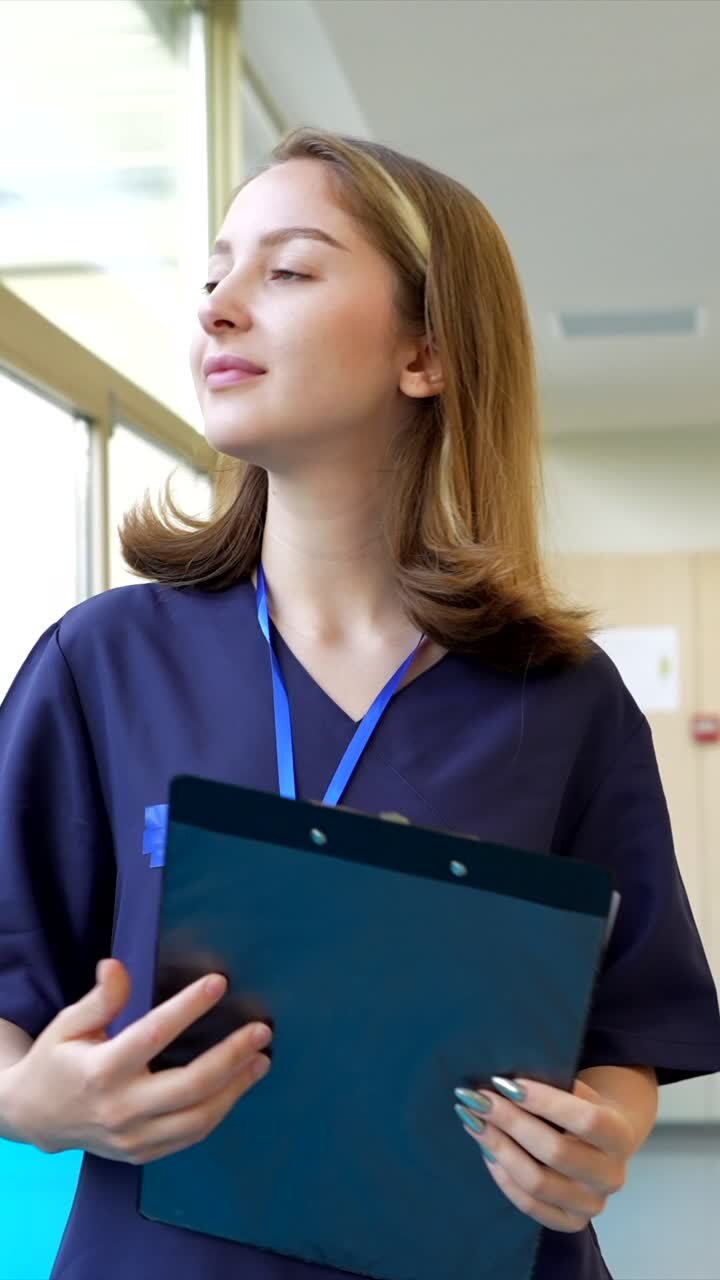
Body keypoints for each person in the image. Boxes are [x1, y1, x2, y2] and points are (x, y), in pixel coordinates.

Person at [0, 127, 719, 1280]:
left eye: (285, 270)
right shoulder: (101, 665)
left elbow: (626, 1026)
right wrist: (32, 1100)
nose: (221, 309)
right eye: (214, 275)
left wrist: (604, 1136)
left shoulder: (563, 697)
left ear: (425, 353)